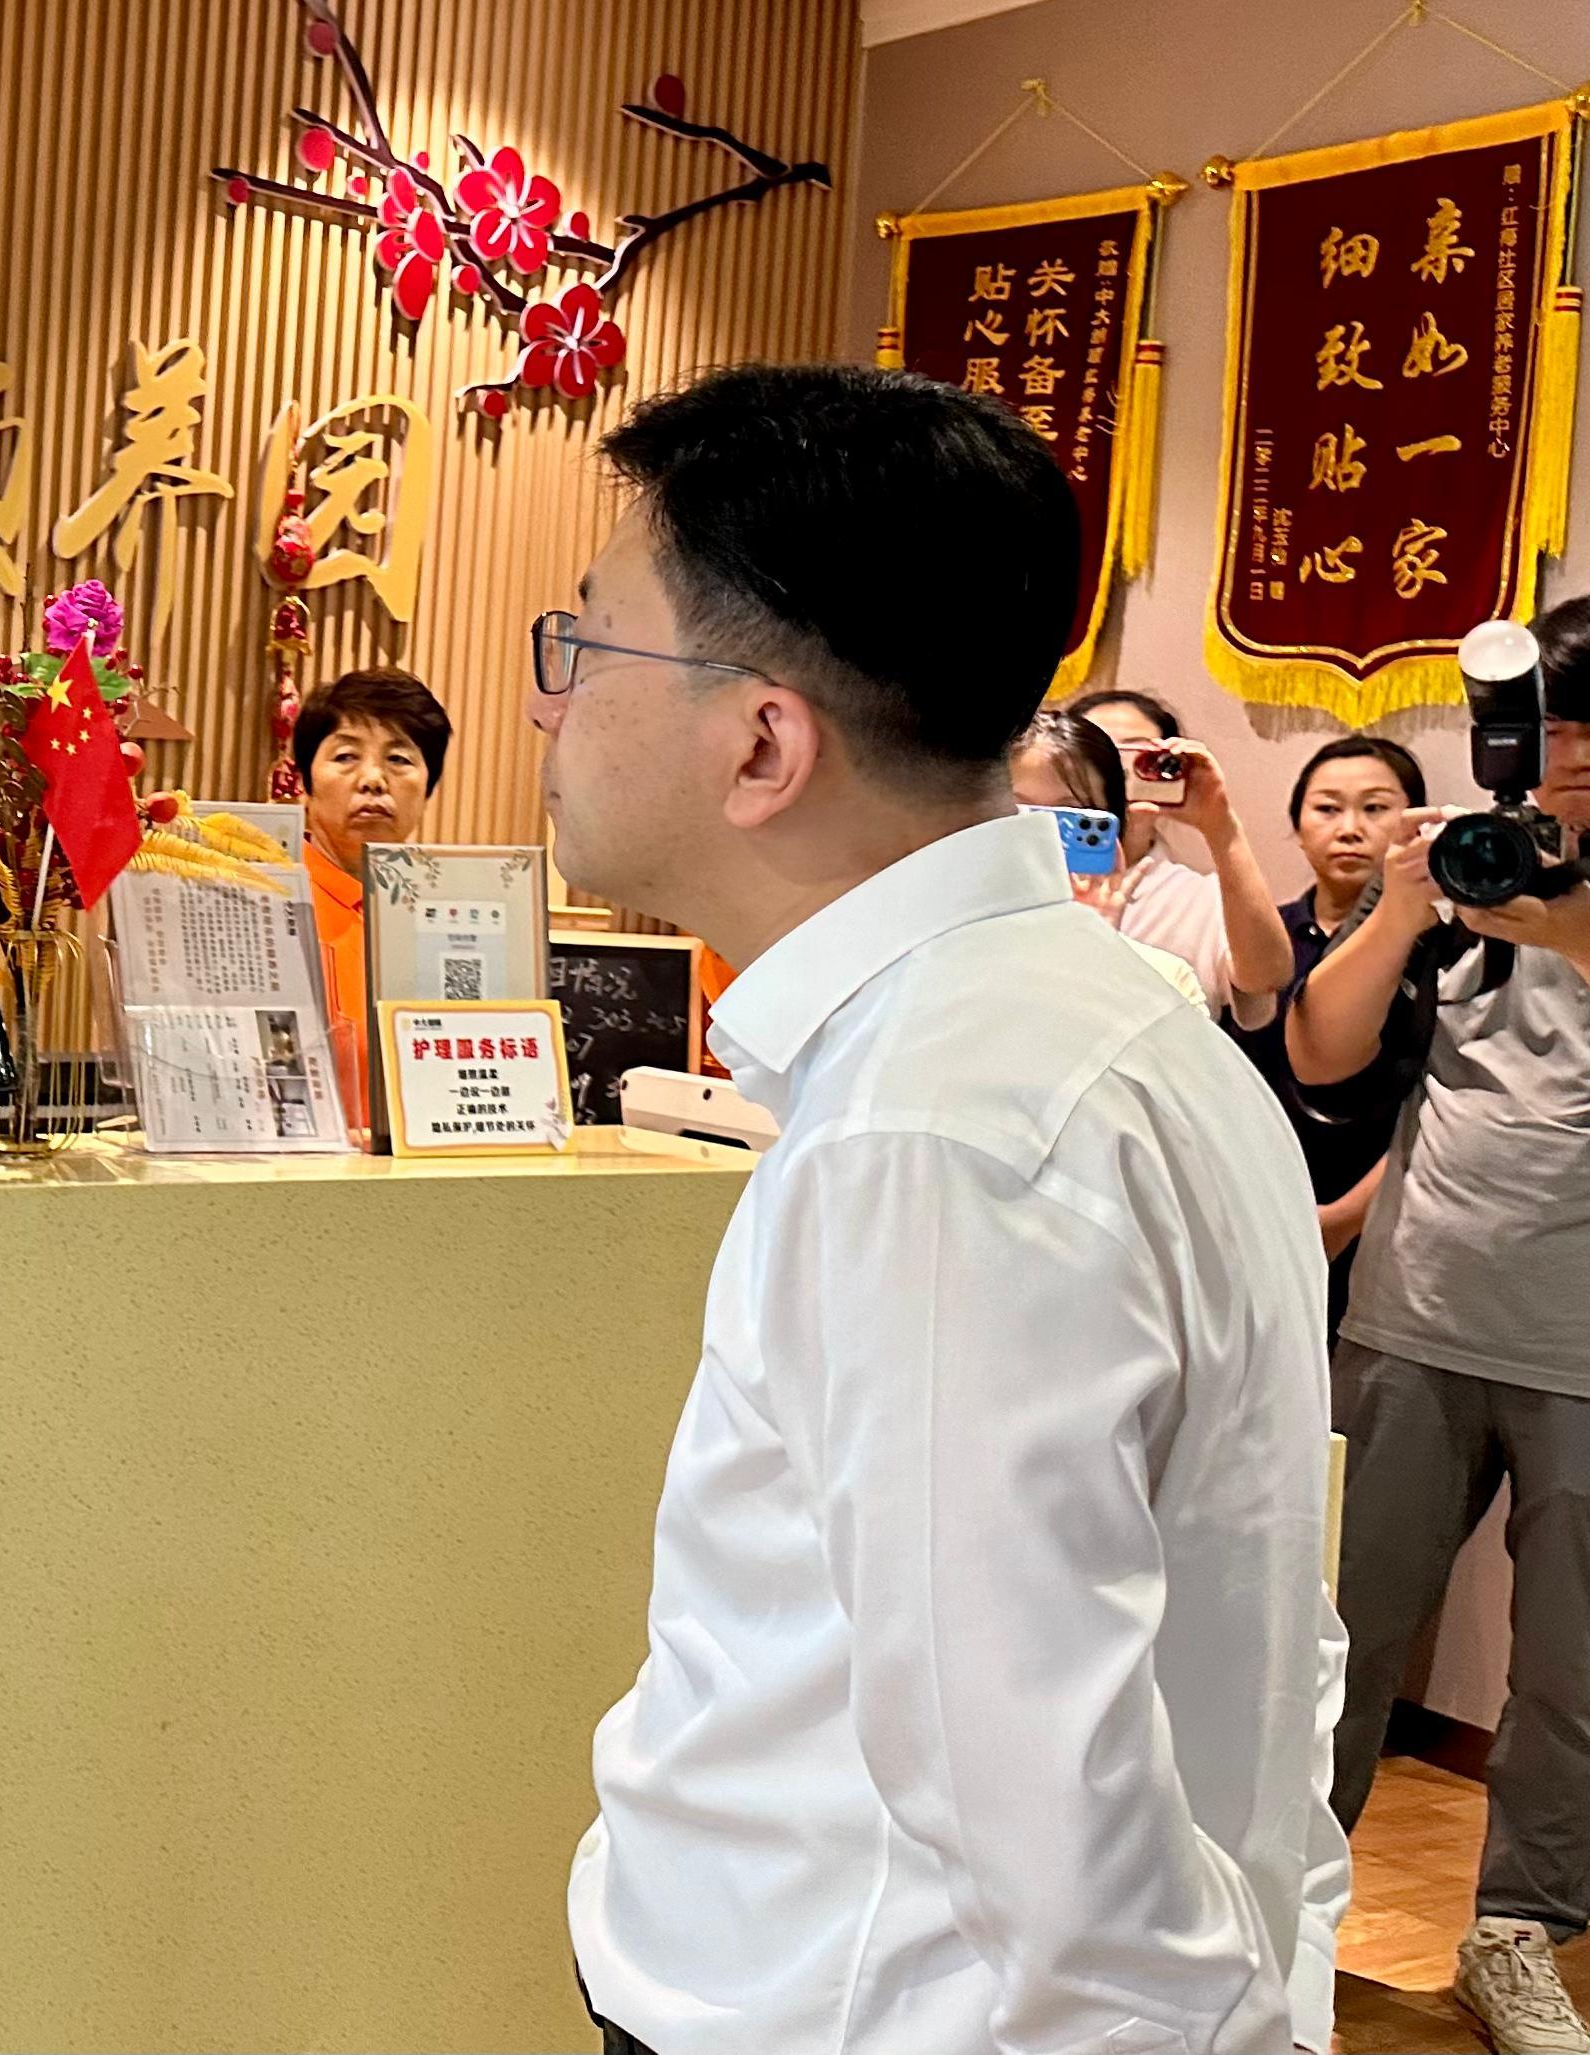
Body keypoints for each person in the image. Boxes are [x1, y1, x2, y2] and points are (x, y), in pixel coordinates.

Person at [541, 363, 1346, 2055]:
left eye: (590, 644)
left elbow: (1044, 1815)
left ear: (761, 740)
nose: (552, 702)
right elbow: (1267, 1633)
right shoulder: (1104, 1025)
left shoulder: (936, 1129)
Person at [1290, 598, 1590, 2055]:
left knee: (1573, 1678)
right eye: (1560, 748)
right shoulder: (1477, 865)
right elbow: (1321, 1046)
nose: (1570, 783)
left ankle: (1519, 1934)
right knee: (1336, 1631)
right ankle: (1281, 1909)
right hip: (1417, 1316)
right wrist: (1407, 906)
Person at [1238, 734, 1429, 1328]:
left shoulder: (1440, 944)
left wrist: (1343, 1220)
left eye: (1375, 809)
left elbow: (1437, 1106)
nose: (1350, 828)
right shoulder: (1263, 938)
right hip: (1264, 1211)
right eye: (1327, 808)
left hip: (1396, 1220)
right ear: (1297, 825)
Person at [1069, 687, 1300, 1022]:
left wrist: (1220, 825)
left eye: (1139, 759)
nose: (1115, 776)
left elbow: (1267, 978)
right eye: (1095, 757)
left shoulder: (1200, 898)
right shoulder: (1019, 875)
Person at [295, 666, 452, 1122]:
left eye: (399, 759)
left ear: (428, 788)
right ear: (305, 783)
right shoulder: (263, 901)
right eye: (346, 757)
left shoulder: (448, 918)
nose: (373, 780)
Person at [1006, 709, 1216, 1010]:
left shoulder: (1167, 980)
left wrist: (1093, 955)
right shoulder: (930, 951)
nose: (1040, 839)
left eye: (1072, 820)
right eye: (1018, 813)